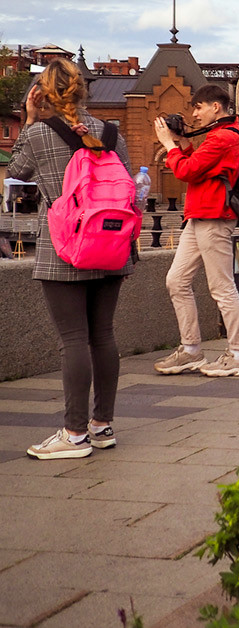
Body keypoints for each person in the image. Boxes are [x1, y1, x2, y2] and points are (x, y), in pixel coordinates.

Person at [11, 59, 135, 459]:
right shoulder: (113, 132)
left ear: (43, 93)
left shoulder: (40, 134)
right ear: (83, 90)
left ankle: (74, 433)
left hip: (64, 247)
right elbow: (129, 187)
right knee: (103, 335)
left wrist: (29, 121)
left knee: (74, 340)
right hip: (112, 244)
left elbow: (18, 172)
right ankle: (102, 426)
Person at [153, 85, 239, 378]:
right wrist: (182, 142)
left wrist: (168, 144)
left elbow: (185, 171)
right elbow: (196, 167)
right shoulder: (217, 136)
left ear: (216, 108)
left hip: (214, 218)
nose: (194, 114)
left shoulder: (223, 137)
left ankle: (238, 355)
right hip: (198, 216)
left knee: (221, 287)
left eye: (198, 107)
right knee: (176, 280)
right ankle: (191, 350)